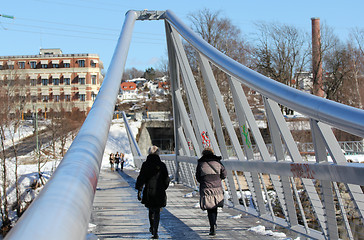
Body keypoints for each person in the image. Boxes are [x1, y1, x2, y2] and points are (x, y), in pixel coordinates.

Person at [135, 146, 170, 239]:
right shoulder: (162, 165)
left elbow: (141, 177)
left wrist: (139, 189)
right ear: (158, 153)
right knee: (157, 211)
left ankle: (151, 226)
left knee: (151, 210)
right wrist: (164, 187)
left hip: (149, 190)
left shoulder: (145, 164)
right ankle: (156, 230)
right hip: (159, 191)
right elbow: (166, 178)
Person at [195, 147, 227, 236]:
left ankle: (212, 226)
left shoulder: (201, 163)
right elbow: (224, 174)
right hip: (217, 187)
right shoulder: (218, 163)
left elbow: (198, 176)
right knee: (215, 207)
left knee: (210, 208)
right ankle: (214, 224)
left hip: (206, 188)